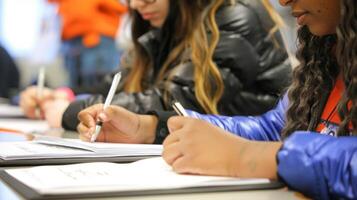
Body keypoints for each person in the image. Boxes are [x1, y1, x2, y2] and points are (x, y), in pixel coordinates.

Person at [77, 0, 357, 199]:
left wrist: (246, 157)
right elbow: (274, 128)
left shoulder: (235, 15)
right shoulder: (329, 56)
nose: (283, 1)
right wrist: (149, 127)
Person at [20, 0, 291, 129]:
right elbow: (122, 82)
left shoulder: (235, 14)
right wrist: (64, 96)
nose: (138, 4)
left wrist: (72, 111)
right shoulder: (168, 22)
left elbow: (178, 102)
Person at [47, 0, 127, 87]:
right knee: (76, 87)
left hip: (96, 38)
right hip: (73, 38)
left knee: (99, 85)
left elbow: (124, 7)